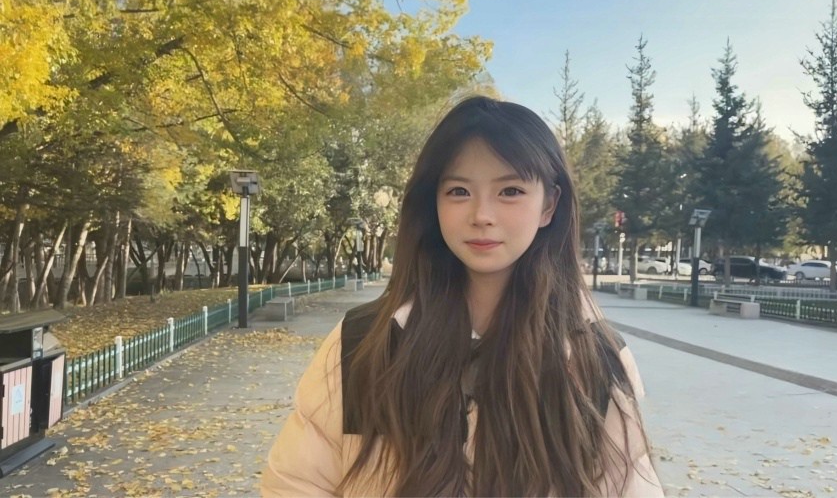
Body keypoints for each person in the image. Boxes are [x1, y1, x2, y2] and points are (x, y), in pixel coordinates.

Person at [261, 96, 662, 497]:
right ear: (433, 203)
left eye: (510, 190)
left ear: (549, 205)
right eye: (458, 191)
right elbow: (296, 485)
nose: (481, 215)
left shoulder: (596, 359)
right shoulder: (364, 343)